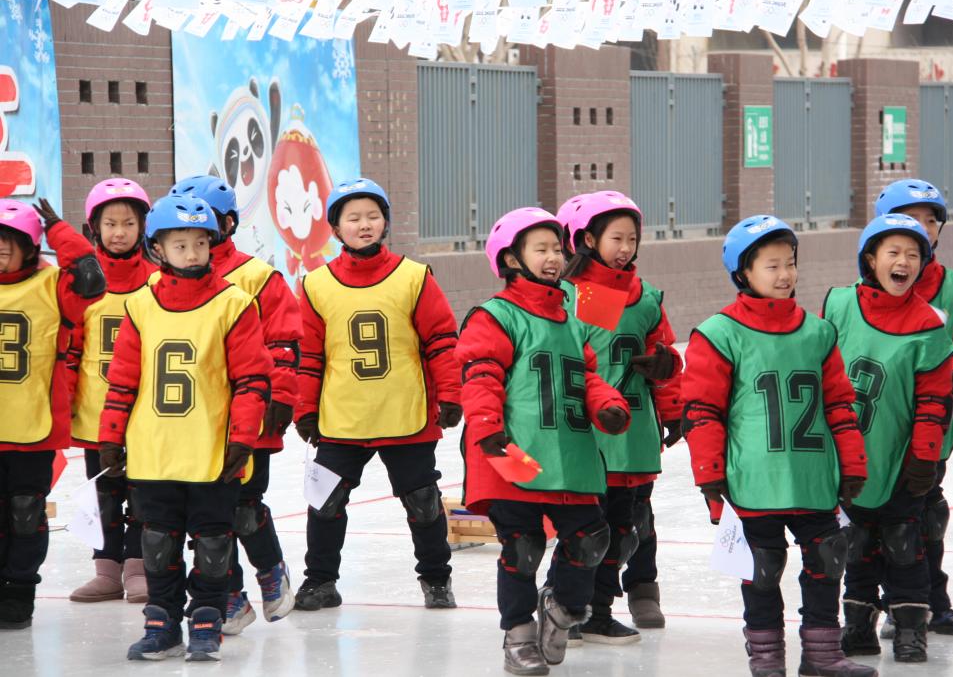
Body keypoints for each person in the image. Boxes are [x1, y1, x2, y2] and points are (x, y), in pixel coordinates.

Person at [681, 215, 876, 677]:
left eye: (790, 263)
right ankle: (767, 659)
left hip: (812, 476)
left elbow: (839, 405)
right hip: (753, 479)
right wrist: (710, 477)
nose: (785, 274)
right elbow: (702, 412)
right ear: (743, 273)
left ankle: (823, 655)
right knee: (762, 570)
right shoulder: (719, 334)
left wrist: (852, 465)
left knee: (828, 559)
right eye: (772, 266)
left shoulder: (818, 332)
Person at [456, 207, 631, 676]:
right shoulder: (495, 316)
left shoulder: (572, 320)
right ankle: (517, 634)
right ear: (512, 259)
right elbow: (480, 376)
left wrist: (608, 404)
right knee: (523, 545)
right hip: (512, 450)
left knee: (591, 539)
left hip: (569, 452)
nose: (554, 257)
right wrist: (488, 429)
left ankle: (561, 609)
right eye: (541, 249)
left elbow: (586, 376)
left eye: (557, 248)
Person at [98, 194, 272, 661]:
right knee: (157, 542)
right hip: (154, 450)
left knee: (214, 543)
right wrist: (110, 436)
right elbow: (123, 379)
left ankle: (208, 620)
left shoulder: (234, 303)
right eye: (180, 245)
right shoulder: (139, 306)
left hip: (211, 451)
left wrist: (243, 438)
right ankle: (162, 622)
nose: (192, 254)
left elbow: (253, 381)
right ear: (158, 249)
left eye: (200, 243)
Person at [293, 178, 462, 611]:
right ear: (336, 229)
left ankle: (436, 581)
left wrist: (451, 394)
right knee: (325, 502)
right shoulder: (315, 285)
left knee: (423, 504)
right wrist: (304, 409)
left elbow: (442, 341)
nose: (364, 225)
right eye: (353, 218)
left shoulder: (414, 277)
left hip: (406, 414)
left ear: (385, 222)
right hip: (342, 418)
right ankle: (320, 582)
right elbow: (309, 355)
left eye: (373, 216)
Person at [169, 175, 300, 634]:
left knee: (243, 506)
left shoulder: (257, 277)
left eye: (202, 225)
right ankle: (230, 596)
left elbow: (283, 343)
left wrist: (282, 395)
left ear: (225, 224)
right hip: (194, 417)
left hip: (250, 412)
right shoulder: (166, 280)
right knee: (205, 517)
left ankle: (271, 570)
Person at [822, 214, 953, 663]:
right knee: (856, 542)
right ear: (870, 259)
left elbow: (934, 400)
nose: (904, 262)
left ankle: (911, 631)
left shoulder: (927, 324)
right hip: (848, 455)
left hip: (899, 457)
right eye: (893, 252)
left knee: (903, 544)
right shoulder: (840, 304)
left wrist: (924, 457)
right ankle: (858, 626)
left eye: (913, 255)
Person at [558, 191, 683, 641]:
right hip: (590, 430)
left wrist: (672, 395)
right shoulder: (571, 295)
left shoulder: (644, 297)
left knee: (630, 523)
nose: (626, 248)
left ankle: (618, 599)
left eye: (632, 238)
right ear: (588, 240)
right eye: (617, 238)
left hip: (635, 430)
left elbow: (664, 354)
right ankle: (571, 606)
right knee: (590, 528)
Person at [873, 179, 953, 637]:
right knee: (878, 521)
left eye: (930, 220)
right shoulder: (867, 288)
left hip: (931, 426)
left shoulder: (951, 287)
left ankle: (932, 604)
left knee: (925, 517)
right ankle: (891, 605)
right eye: (910, 218)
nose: (922, 227)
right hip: (877, 428)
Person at [0, 198, 105, 629]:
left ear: (30, 247)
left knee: (25, 514)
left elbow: (91, 281)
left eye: (10, 242)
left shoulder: (53, 286)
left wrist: (58, 230)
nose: (1, 249)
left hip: (33, 429)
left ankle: (19, 591)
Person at [69, 179, 156, 604]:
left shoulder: (158, 282)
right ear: (94, 229)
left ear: (143, 228)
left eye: (128, 223)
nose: (119, 232)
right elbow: (69, 349)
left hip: (144, 413)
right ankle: (106, 569)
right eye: (110, 224)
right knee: (103, 494)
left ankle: (138, 568)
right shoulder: (82, 285)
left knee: (142, 493)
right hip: (94, 413)